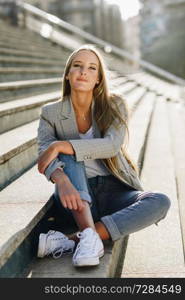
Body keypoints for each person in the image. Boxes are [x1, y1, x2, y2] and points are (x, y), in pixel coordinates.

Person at [37, 44, 171, 267]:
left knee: (160, 201)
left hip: (113, 191)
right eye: (77, 66)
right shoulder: (50, 113)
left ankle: (78, 239)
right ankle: (89, 236)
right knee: (69, 156)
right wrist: (61, 179)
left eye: (91, 68)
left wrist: (60, 145)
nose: (83, 72)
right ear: (68, 74)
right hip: (75, 195)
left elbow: (111, 145)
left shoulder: (114, 104)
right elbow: (44, 157)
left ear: (98, 78)